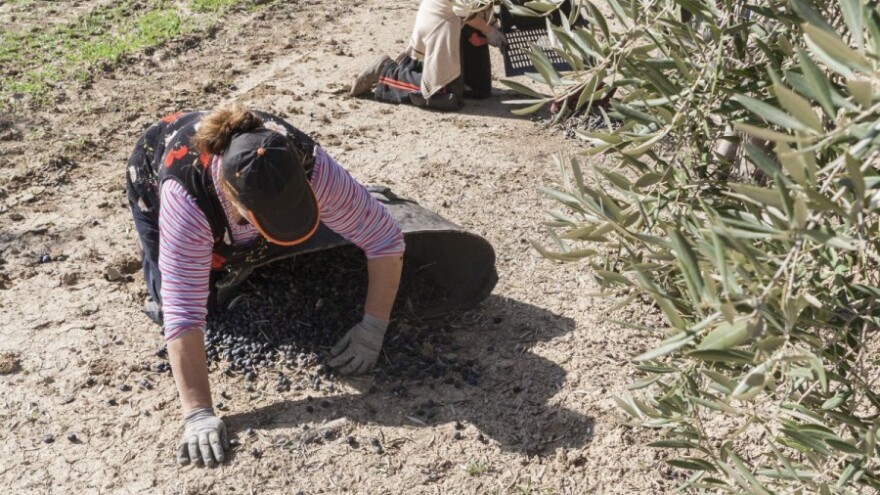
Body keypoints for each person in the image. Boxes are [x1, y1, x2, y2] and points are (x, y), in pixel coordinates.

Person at [125, 103, 405, 468]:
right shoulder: (187, 202)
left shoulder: (309, 164)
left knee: (274, 247)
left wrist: (374, 326)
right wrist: (198, 412)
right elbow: (184, 312)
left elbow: (385, 239)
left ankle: (242, 252)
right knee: (186, 295)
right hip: (154, 168)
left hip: (241, 186)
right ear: (233, 197)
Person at [350, 0, 506, 111]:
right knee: (446, 96)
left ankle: (446, 76)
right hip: (439, 25)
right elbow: (461, 9)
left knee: (479, 89)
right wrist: (488, 30)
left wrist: (487, 26)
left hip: (458, 24)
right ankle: (387, 71)